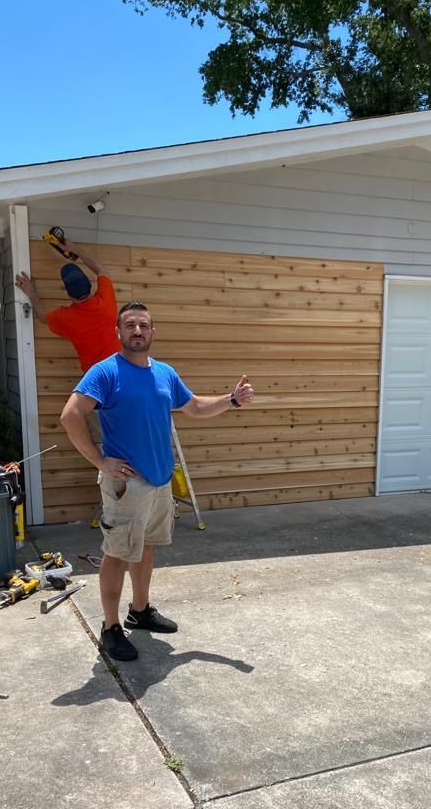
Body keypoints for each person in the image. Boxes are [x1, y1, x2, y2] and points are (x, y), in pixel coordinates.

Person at [60, 300, 255, 662]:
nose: (137, 331)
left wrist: (232, 400)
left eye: (143, 325)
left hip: (160, 479)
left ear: (152, 331)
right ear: (118, 332)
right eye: (130, 325)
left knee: (145, 546)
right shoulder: (105, 373)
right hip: (126, 484)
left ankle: (140, 610)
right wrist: (100, 460)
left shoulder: (165, 373)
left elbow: (194, 406)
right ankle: (109, 627)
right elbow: (71, 415)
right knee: (117, 552)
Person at [15, 237, 119, 373]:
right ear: (91, 287)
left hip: (95, 379)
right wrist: (74, 249)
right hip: (121, 371)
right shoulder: (105, 303)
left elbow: (42, 316)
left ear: (69, 295)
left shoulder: (66, 318)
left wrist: (31, 293)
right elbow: (101, 270)